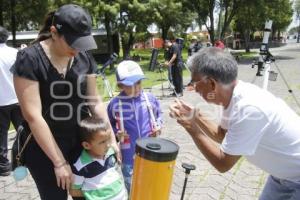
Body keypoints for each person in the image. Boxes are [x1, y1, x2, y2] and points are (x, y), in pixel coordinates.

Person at [11, 4, 119, 200]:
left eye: (82, 43)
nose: (78, 50)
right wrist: (59, 163)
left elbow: (95, 102)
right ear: (54, 32)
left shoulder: (84, 57)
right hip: (44, 147)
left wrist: (110, 138)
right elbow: (32, 116)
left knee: (88, 195)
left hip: (82, 142)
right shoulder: (30, 59)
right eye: (72, 43)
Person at [169, 47, 300, 200]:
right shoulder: (233, 95)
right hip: (283, 177)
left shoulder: (249, 108)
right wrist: (195, 116)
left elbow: (223, 163)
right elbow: (223, 136)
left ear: (212, 83)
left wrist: (192, 128)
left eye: (194, 82)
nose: (193, 88)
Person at [107, 60, 163, 193]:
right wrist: (116, 133)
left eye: (138, 83)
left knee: (151, 185)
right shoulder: (115, 104)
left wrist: (158, 125)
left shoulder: (149, 98)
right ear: (121, 86)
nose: (136, 88)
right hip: (128, 155)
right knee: (133, 188)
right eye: (130, 85)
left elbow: (159, 113)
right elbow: (108, 124)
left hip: (150, 152)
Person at [70, 117, 127, 200]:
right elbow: (74, 191)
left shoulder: (110, 152)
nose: (108, 144)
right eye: (102, 142)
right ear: (87, 145)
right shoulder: (80, 166)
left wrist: (118, 137)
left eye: (108, 139)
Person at [0, 26, 23, 176]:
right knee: (23, 131)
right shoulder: (15, 53)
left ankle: (3, 166)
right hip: (17, 98)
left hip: (0, 102)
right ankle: (23, 161)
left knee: (1, 134)